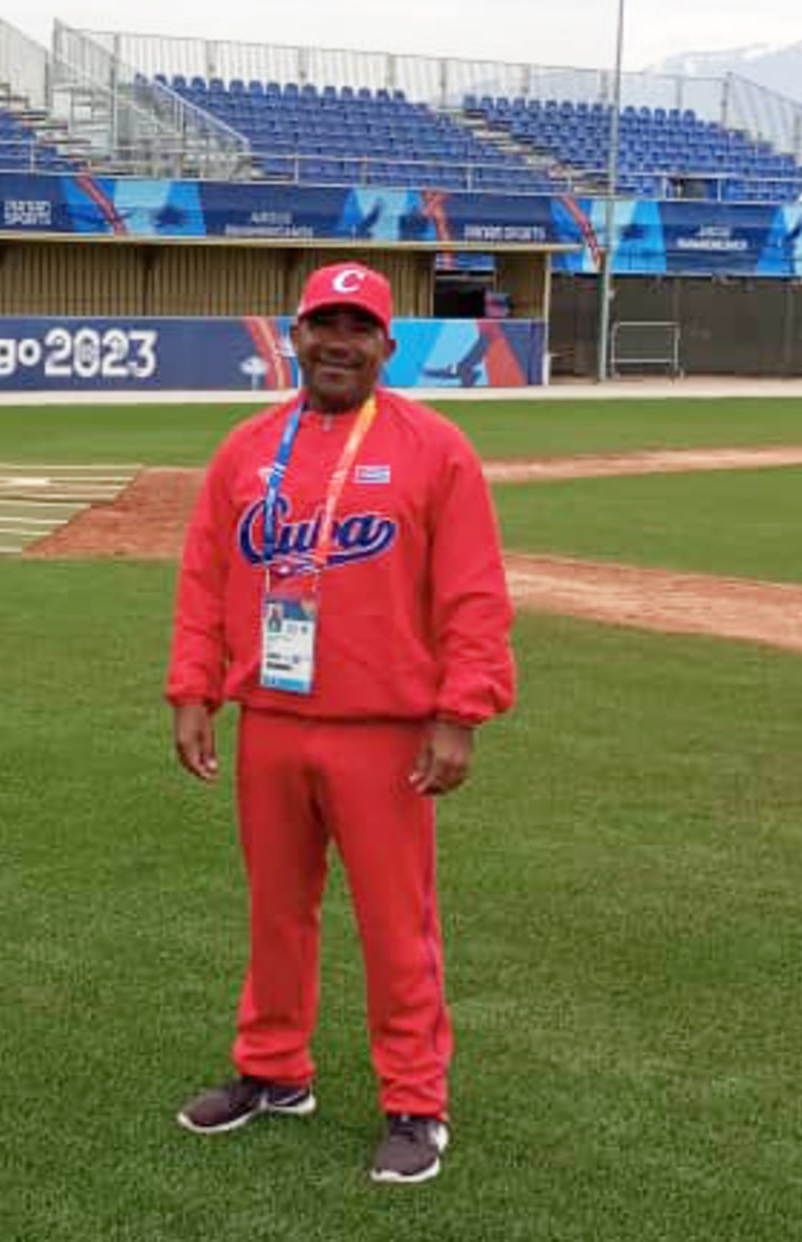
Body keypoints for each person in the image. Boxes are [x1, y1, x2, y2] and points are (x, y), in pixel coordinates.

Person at [166, 260, 516, 1185]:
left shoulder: (434, 448)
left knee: (397, 924)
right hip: (272, 719)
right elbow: (205, 579)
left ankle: (416, 1103)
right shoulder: (247, 449)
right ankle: (273, 1070)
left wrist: (461, 711)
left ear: (386, 345)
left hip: (383, 729)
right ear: (297, 335)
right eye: (324, 324)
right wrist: (194, 690)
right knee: (276, 910)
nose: (338, 343)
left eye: (359, 329)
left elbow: (473, 593)